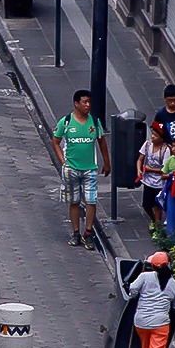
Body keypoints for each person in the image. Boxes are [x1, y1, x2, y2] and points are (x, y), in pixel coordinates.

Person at [52, 89, 111, 251]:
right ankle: (76, 232)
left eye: (89, 102)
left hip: (89, 170)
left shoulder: (94, 122)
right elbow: (55, 141)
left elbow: (102, 142)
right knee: (74, 201)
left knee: (91, 201)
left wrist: (107, 163)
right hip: (71, 169)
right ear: (76, 104)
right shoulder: (66, 122)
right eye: (84, 102)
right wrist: (63, 161)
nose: (88, 105)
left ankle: (88, 232)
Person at [135, 122, 168, 229]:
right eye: (152, 134)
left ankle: (157, 226)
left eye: (156, 135)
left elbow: (164, 169)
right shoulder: (147, 145)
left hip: (160, 183)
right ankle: (154, 220)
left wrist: (150, 169)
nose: (153, 137)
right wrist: (139, 170)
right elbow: (140, 159)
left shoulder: (165, 150)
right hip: (148, 181)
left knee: (157, 206)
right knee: (146, 205)